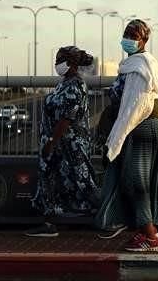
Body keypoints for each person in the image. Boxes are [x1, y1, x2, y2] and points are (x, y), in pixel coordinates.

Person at [95, 19, 158, 252]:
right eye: (127, 33)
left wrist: (115, 141)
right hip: (147, 123)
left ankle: (151, 237)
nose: (128, 38)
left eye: (134, 35)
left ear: (144, 40)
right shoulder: (137, 63)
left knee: (137, 180)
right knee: (137, 179)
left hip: (142, 124)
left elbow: (134, 107)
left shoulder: (138, 67)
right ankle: (144, 230)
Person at [25, 46, 100, 237]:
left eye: (60, 60)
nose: (56, 64)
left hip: (70, 144)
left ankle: (106, 218)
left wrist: (51, 141)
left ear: (71, 63)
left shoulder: (76, 85)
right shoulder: (62, 84)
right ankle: (49, 222)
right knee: (48, 179)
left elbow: (66, 119)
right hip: (54, 143)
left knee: (82, 181)